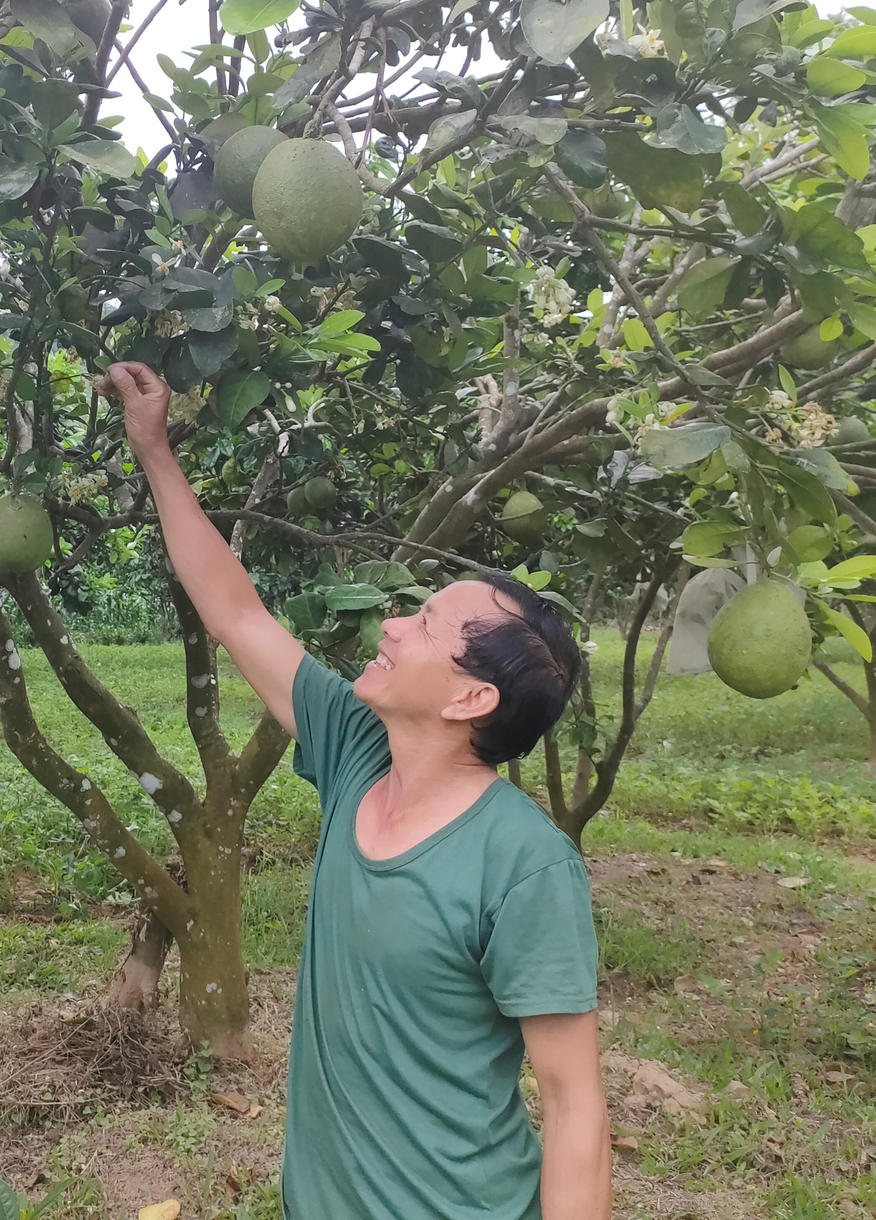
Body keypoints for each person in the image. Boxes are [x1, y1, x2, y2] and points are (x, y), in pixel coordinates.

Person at [105, 361, 611, 1220]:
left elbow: (573, 1105)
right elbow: (235, 612)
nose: (390, 621)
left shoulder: (524, 865)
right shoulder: (354, 752)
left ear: (471, 698)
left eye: (425, 625)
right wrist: (154, 449)